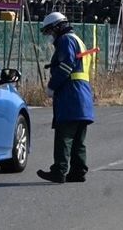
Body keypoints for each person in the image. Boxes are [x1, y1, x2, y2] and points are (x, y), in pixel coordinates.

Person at [36, 11, 95, 184]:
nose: (50, 36)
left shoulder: (66, 40)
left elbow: (66, 65)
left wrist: (52, 86)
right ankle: (78, 172)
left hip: (71, 94)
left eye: (50, 32)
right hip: (83, 95)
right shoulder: (78, 40)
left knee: (64, 135)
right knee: (78, 139)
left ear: (58, 27)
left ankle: (59, 171)